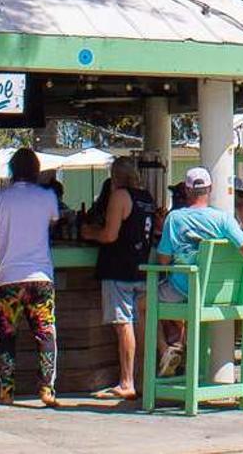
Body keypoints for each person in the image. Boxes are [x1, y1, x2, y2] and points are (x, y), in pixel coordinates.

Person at [153, 168, 243, 377]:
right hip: (220, 294)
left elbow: (163, 260)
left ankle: (164, 352)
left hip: (184, 290)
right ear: (210, 189)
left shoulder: (174, 218)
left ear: (187, 190)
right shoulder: (224, 219)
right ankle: (181, 348)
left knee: (143, 304)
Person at [0, 147, 63, 408]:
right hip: (41, 276)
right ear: (37, 171)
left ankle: (7, 391)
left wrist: (1, 236)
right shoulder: (48, 196)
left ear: (11, 170)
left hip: (8, 278)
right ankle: (47, 390)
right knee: (45, 334)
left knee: (6, 335)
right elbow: (52, 224)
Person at [86, 156, 155, 401]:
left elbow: (109, 235)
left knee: (123, 323)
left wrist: (89, 232)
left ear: (116, 175)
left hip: (118, 267)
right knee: (140, 325)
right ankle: (144, 378)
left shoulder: (119, 196)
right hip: (142, 266)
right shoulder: (147, 197)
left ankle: (126, 382)